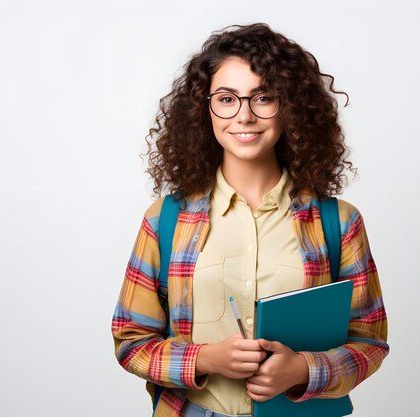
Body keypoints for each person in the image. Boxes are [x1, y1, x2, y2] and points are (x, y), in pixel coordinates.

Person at [111, 22, 389, 417]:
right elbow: (131, 340)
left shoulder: (339, 224)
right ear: (203, 108)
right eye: (226, 99)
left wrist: (303, 369)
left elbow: (370, 341)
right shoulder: (165, 221)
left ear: (289, 107)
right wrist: (204, 360)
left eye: (262, 97)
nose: (244, 115)